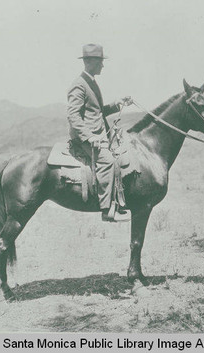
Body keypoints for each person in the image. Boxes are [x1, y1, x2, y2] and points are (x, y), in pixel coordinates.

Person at [67, 43, 132, 222]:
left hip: (98, 134)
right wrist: (89, 137)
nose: (103, 65)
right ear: (91, 62)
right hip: (87, 138)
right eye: (100, 62)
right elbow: (73, 115)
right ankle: (106, 209)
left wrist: (116, 103)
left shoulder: (91, 82)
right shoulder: (79, 85)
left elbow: (96, 112)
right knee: (108, 161)